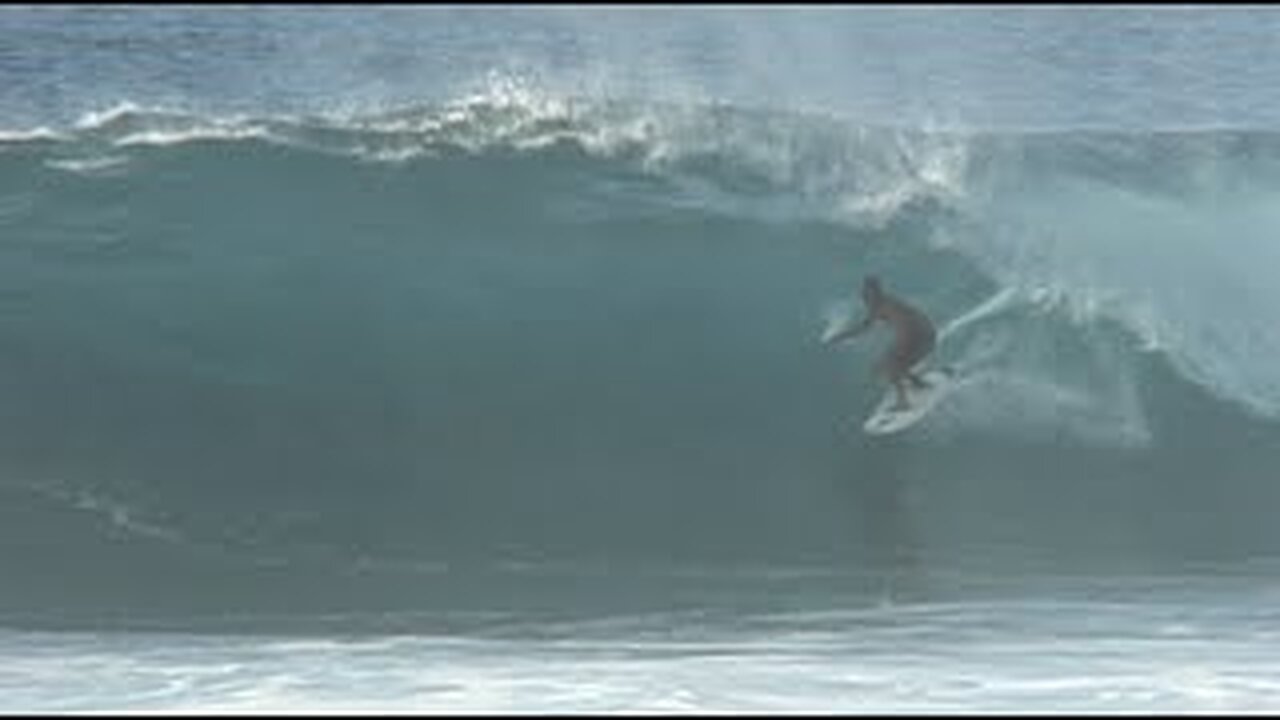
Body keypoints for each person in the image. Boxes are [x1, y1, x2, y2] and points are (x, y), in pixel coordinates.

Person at [824, 275, 936, 411]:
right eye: (865, 293)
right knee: (888, 363)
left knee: (890, 365)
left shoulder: (882, 306)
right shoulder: (885, 302)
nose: (865, 297)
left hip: (919, 336)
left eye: (868, 294)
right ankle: (917, 382)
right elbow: (865, 326)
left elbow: (907, 328)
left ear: (876, 293)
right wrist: (841, 336)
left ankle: (903, 402)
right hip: (928, 333)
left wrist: (840, 336)